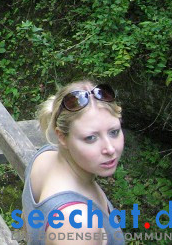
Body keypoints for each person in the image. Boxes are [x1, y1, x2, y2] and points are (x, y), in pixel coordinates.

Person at [22, 81, 125, 245]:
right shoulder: (78, 224)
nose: (110, 149)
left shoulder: (44, 156)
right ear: (62, 137)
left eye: (114, 132)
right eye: (91, 138)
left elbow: (28, 220)